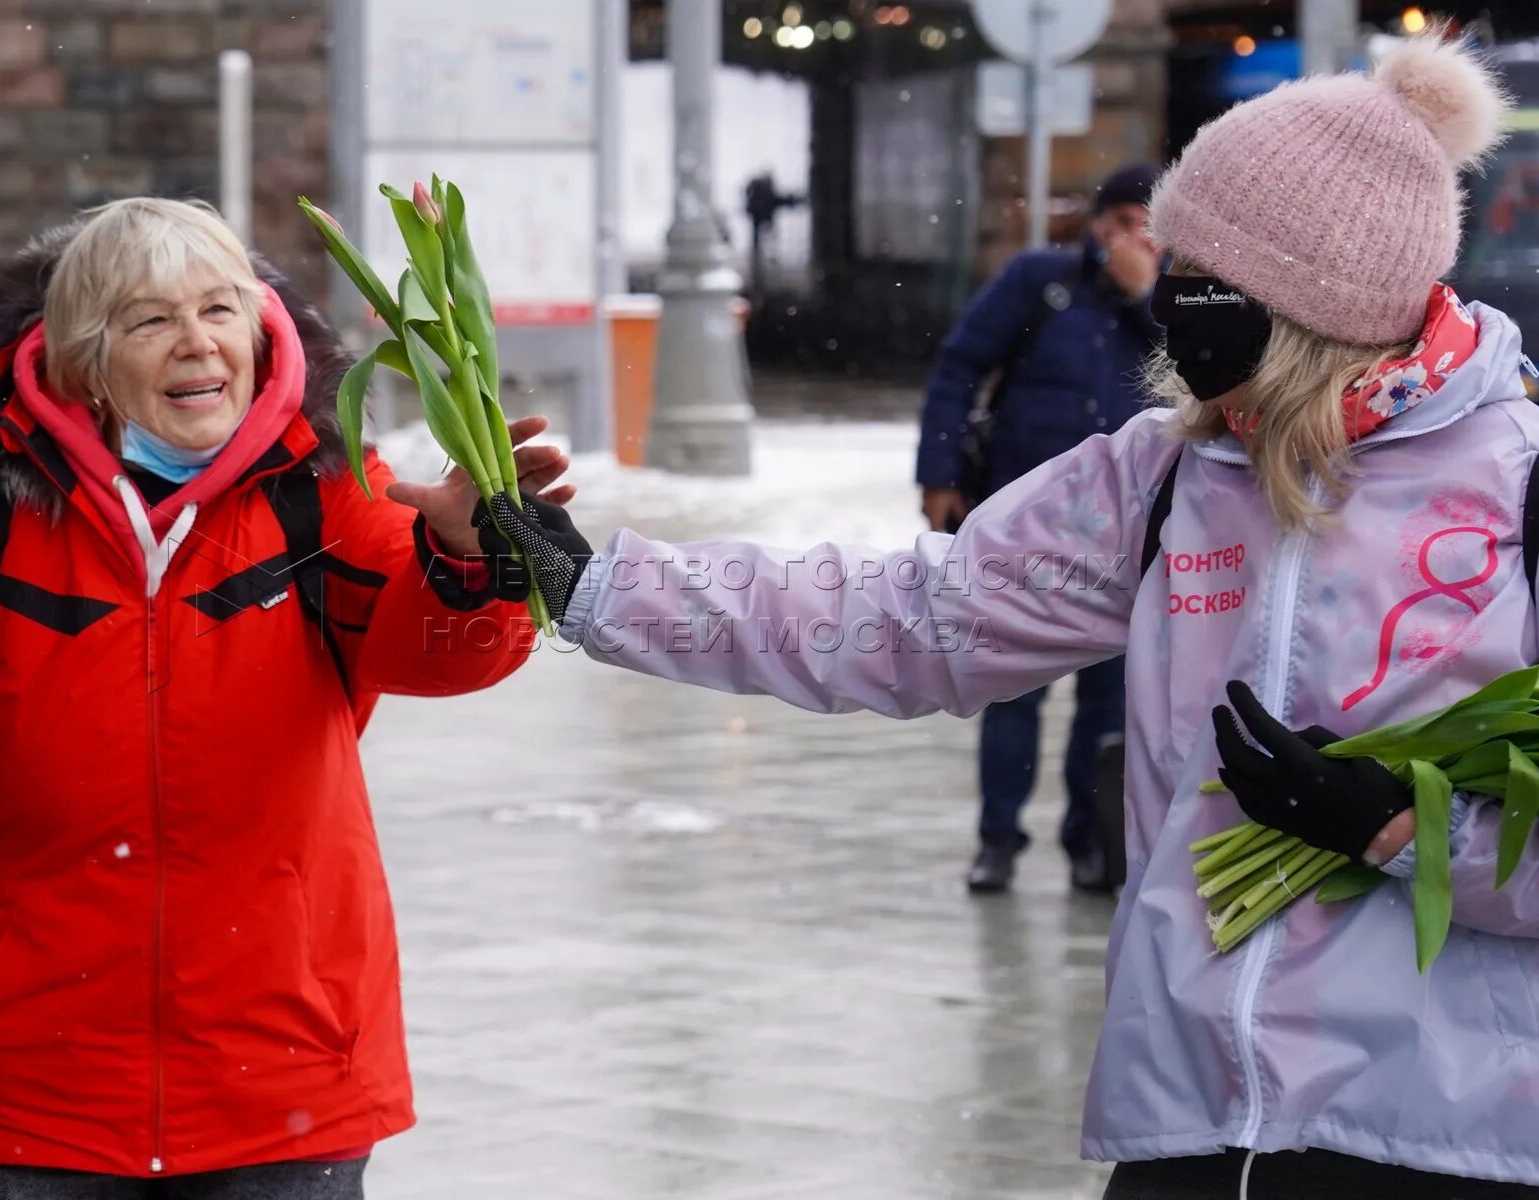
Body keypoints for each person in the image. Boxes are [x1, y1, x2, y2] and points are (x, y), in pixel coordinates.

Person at [415, 36, 1539, 1197]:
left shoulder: (1520, 489)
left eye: (1205, 271)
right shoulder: (1161, 479)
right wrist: (597, 586)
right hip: (1195, 1135)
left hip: (1446, 1141)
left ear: (1316, 298)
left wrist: (1405, 834)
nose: (1172, 297)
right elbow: (913, 617)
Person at [0, 198, 572, 1198]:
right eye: (150, 320)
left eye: (220, 311)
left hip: (285, 1069)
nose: (197, 343)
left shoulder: (330, 494)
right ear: (84, 359)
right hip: (40, 1085)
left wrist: (469, 558)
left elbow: (437, 653)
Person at [917, 162, 1164, 894]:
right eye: (1116, 222)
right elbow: (959, 367)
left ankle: (1092, 843)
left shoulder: (1178, 297)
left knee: (1110, 701)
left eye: (1143, 224)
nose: (1126, 237)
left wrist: (1146, 297)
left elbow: (1206, 375)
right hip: (1022, 531)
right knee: (1008, 691)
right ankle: (999, 840)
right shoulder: (1039, 281)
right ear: (1096, 225)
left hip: (1128, 539)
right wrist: (938, 477)